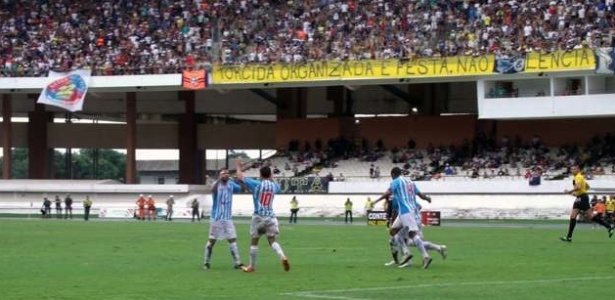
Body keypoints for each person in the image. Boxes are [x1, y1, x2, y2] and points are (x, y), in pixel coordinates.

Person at [235, 161, 290, 273]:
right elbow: (278, 187)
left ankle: (252, 266)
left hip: (258, 216)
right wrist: (272, 178)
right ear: (270, 175)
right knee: (272, 240)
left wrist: (238, 166)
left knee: (254, 241)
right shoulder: (275, 186)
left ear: (260, 175)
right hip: (271, 217)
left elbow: (240, 177)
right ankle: (282, 256)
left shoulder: (256, 184)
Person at [376, 167, 433, 269]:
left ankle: (426, 256)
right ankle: (406, 252)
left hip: (406, 211)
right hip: (408, 211)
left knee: (412, 235)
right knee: (393, 232)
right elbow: (420, 195)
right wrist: (428, 199)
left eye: (391, 175)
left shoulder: (396, 181)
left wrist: (376, 201)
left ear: (393, 174)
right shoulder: (410, 182)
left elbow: (388, 192)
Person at [203, 169, 244, 270]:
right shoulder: (216, 184)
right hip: (216, 218)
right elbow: (212, 189)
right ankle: (206, 262)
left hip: (227, 218)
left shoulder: (231, 184)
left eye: (227, 174)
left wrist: (238, 180)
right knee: (212, 240)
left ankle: (237, 262)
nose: (226, 175)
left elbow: (240, 189)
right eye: (223, 173)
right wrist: (217, 180)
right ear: (219, 175)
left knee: (232, 239)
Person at [560, 165, 614, 242]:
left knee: (590, 216)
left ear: (578, 170)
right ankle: (569, 237)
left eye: (574, 169)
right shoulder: (579, 177)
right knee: (573, 216)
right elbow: (587, 187)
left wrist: (569, 191)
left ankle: (608, 226)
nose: (572, 170)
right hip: (580, 197)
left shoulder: (578, 177)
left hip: (582, 198)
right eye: (571, 169)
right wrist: (578, 193)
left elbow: (578, 187)